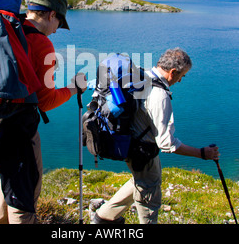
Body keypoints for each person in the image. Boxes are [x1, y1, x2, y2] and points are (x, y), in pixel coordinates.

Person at [0, 0, 86, 224]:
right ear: (51, 15)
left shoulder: (9, 29)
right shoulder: (41, 44)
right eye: (59, 23)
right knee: (24, 192)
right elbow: (45, 101)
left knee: (8, 180)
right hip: (19, 129)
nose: (55, 31)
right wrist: (74, 89)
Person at [92, 48, 220, 224]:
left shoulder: (141, 75)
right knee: (149, 199)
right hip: (143, 152)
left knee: (143, 179)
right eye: (182, 75)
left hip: (130, 146)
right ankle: (107, 218)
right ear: (172, 72)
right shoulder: (159, 95)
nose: (181, 80)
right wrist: (201, 153)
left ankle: (104, 217)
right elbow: (166, 143)